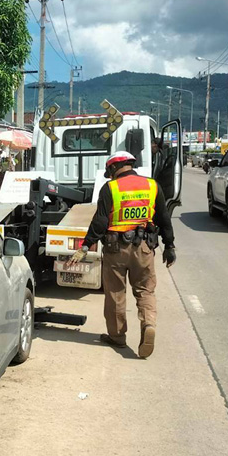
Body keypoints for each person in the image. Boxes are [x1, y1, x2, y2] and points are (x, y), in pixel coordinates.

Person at [67, 151, 176, 359]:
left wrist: (84, 247)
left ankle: (117, 336)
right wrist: (169, 245)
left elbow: (100, 222)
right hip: (144, 247)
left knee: (116, 293)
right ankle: (148, 324)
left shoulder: (110, 188)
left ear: (113, 168)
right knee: (145, 290)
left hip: (115, 248)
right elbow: (163, 217)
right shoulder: (152, 186)